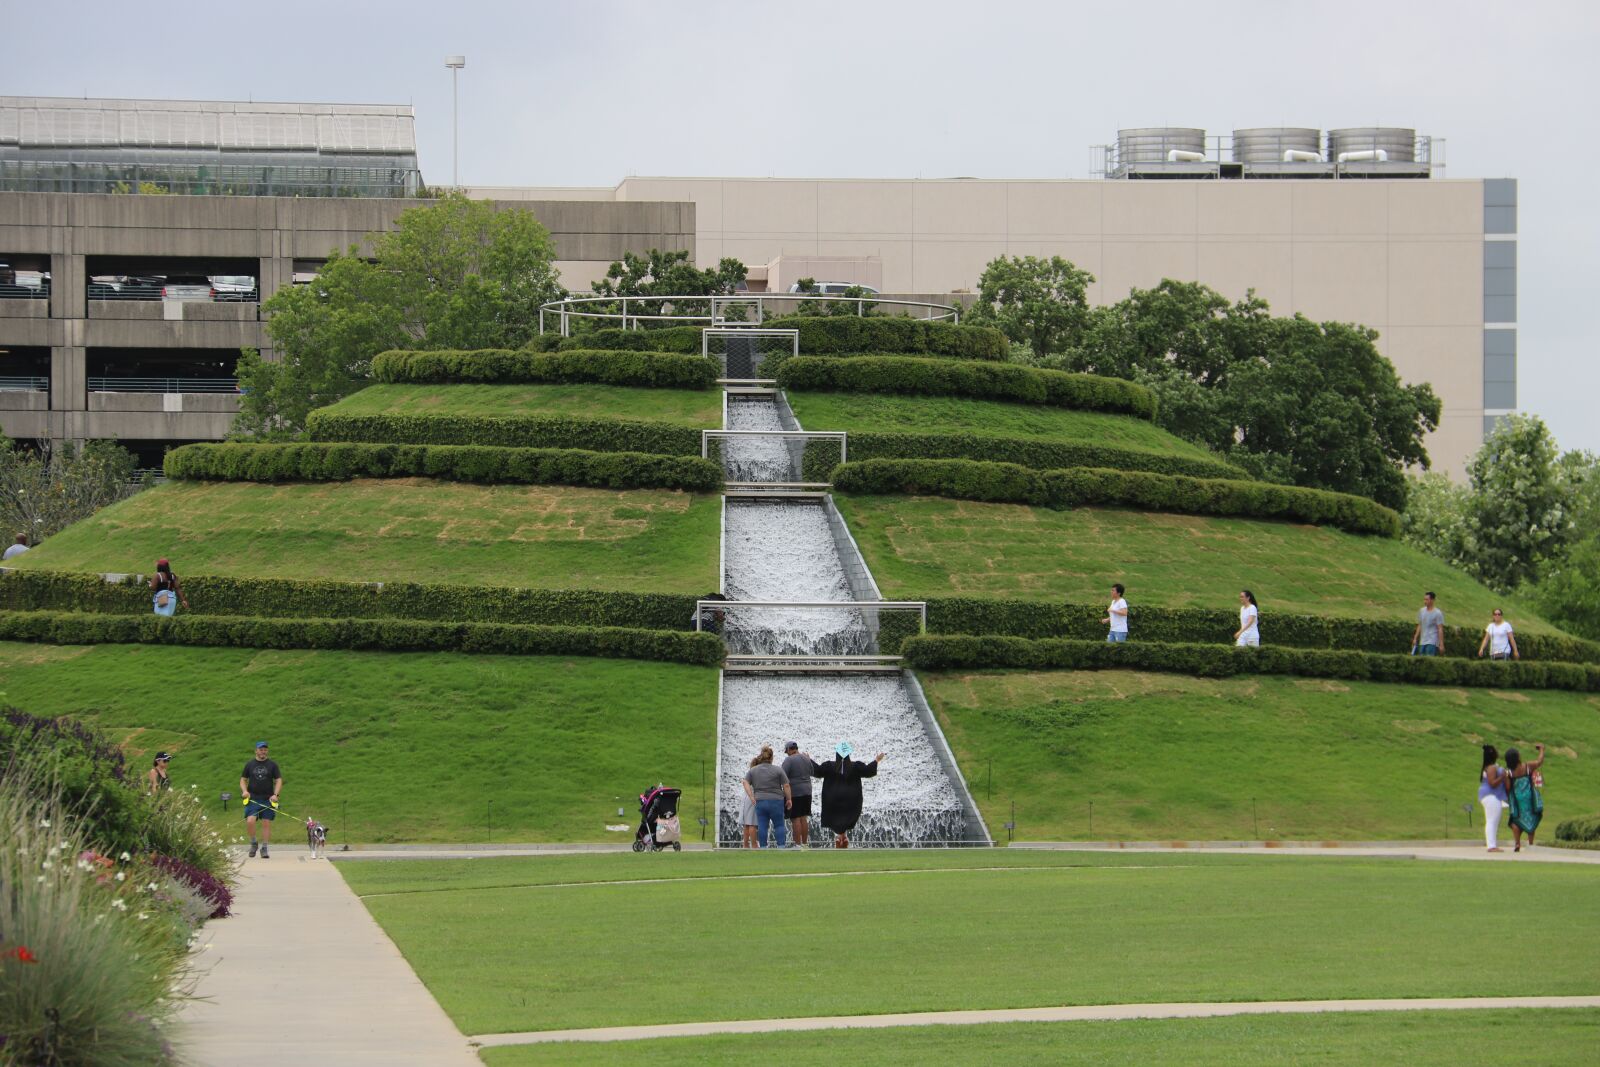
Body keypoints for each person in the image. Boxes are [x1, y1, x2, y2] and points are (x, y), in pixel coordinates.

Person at [814, 742, 885, 849]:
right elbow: (868, 771)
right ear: (848, 754)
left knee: (836, 816)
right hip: (851, 799)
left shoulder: (829, 766)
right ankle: (842, 836)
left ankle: (840, 836)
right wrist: (876, 760)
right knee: (847, 816)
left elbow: (818, 771)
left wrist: (808, 760)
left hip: (833, 798)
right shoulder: (855, 766)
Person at [742, 745, 792, 849]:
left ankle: (763, 848)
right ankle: (781, 847)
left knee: (762, 826)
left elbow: (745, 781)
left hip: (760, 801)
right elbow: (786, 785)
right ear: (771, 758)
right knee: (779, 825)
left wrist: (751, 796)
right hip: (776, 801)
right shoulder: (778, 770)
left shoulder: (753, 770)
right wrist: (789, 799)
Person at [240, 741, 283, 859]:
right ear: (256, 751)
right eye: (260, 749)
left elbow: (279, 780)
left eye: (265, 749)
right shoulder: (249, 764)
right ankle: (254, 843)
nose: (263, 751)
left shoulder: (272, 765)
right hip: (253, 799)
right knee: (250, 821)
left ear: (267, 751)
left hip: (268, 799)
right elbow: (243, 779)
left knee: (266, 823)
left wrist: (276, 794)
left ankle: (264, 848)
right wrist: (244, 791)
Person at [1505, 743, 1546, 851]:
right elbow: (1539, 761)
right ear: (1518, 757)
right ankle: (1530, 843)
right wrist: (1542, 749)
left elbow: (1508, 788)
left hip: (1517, 801)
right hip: (1529, 799)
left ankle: (1517, 843)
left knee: (1515, 821)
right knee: (1531, 820)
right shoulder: (1527, 766)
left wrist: (1507, 799)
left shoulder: (1509, 773)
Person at [781, 741, 818, 847]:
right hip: (807, 791)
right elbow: (812, 772)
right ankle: (805, 845)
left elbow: (782, 776)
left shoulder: (788, 760)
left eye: (786, 751)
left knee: (795, 819)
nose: (787, 753)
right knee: (803, 818)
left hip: (795, 793)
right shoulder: (806, 758)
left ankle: (797, 845)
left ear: (789, 749)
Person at [1479, 744, 1510, 853]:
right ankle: (1491, 846)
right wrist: (1502, 776)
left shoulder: (1489, 767)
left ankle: (1492, 844)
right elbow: (1492, 783)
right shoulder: (1492, 768)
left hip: (1489, 796)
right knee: (1492, 821)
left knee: (1493, 821)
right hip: (1492, 796)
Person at [1411, 592, 1444, 656]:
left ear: (1432, 600)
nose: (1425, 601)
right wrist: (1415, 638)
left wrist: (1441, 644)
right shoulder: (1421, 611)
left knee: (1429, 659)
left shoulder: (1437, 613)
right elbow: (1420, 625)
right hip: (1422, 641)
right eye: (1424, 599)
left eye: (1427, 599)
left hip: (1432, 641)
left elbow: (1440, 629)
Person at [739, 755, 759, 848]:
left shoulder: (749, 773)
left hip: (745, 798)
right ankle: (754, 845)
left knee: (747, 823)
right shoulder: (757, 773)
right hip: (753, 797)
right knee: (752, 823)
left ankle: (745, 844)